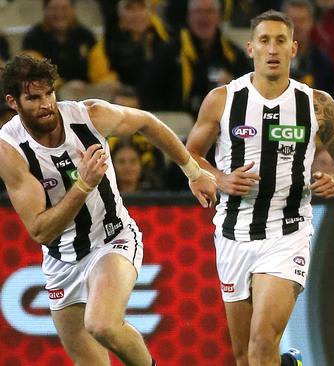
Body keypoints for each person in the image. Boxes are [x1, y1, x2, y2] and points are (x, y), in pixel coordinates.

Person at [0, 55, 217, 366]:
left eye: (49, 93)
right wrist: (84, 185)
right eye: (33, 98)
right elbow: (40, 230)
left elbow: (147, 122)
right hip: (61, 258)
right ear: (13, 102)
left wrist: (193, 172)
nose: (46, 104)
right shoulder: (10, 150)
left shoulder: (89, 116)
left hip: (112, 239)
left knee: (102, 324)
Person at [185, 10, 334, 366]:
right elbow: (190, 156)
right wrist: (221, 179)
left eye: (281, 40)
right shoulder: (222, 99)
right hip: (233, 233)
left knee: (263, 339)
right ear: (251, 48)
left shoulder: (315, 104)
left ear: (294, 48)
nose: (273, 48)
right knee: (244, 356)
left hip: (288, 232)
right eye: (264, 40)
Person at [140, 0, 251, 116]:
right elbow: (147, 94)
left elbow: (252, 94)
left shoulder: (233, 54)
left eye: (209, 11)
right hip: (177, 125)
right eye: (198, 12)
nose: (204, 17)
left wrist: (234, 86)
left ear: (219, 17)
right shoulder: (167, 53)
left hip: (220, 124)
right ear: (189, 16)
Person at [22, 0, 97, 83]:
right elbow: (35, 74)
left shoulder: (85, 35)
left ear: (73, 10)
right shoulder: (33, 38)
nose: (60, 13)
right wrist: (62, 86)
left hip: (86, 90)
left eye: (65, 8)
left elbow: (98, 68)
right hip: (49, 91)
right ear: (45, 10)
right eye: (54, 9)